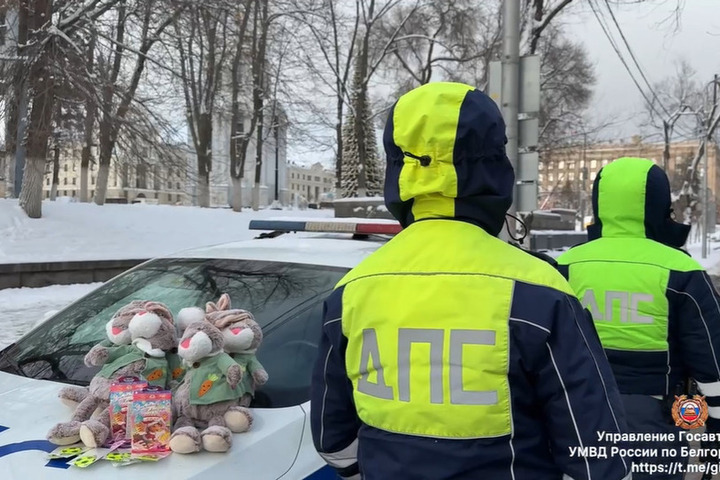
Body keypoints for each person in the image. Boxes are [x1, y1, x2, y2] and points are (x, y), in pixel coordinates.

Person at [309, 82, 631, 480]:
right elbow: (598, 454)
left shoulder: (351, 292)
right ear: (494, 169)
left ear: (398, 171)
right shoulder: (542, 291)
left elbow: (333, 441)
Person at [556, 156, 720, 479]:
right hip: (655, 420)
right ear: (659, 207)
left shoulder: (566, 265)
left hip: (579, 413)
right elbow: (712, 361)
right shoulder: (682, 270)